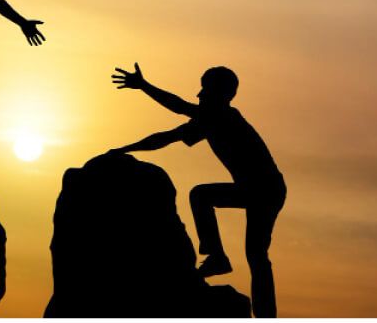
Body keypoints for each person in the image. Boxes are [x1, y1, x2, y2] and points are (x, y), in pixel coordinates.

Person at [109, 63, 286, 318]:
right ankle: (225, 267)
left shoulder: (224, 117)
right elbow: (166, 137)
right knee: (256, 255)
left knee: (204, 198)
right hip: (264, 188)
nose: (199, 95)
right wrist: (125, 150)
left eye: (204, 89)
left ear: (220, 94)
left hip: (265, 188)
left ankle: (217, 257)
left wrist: (144, 86)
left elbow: (179, 106)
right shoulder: (209, 122)